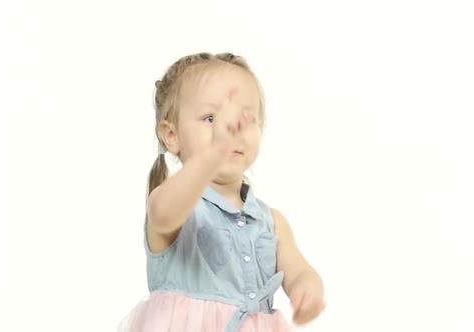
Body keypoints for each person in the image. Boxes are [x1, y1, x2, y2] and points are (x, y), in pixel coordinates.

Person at [118, 52, 326, 332]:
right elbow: (164, 213)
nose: (230, 129)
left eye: (244, 118)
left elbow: (298, 269)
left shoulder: (271, 221)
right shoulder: (172, 203)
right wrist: (212, 154)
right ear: (172, 136)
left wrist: (307, 288)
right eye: (210, 118)